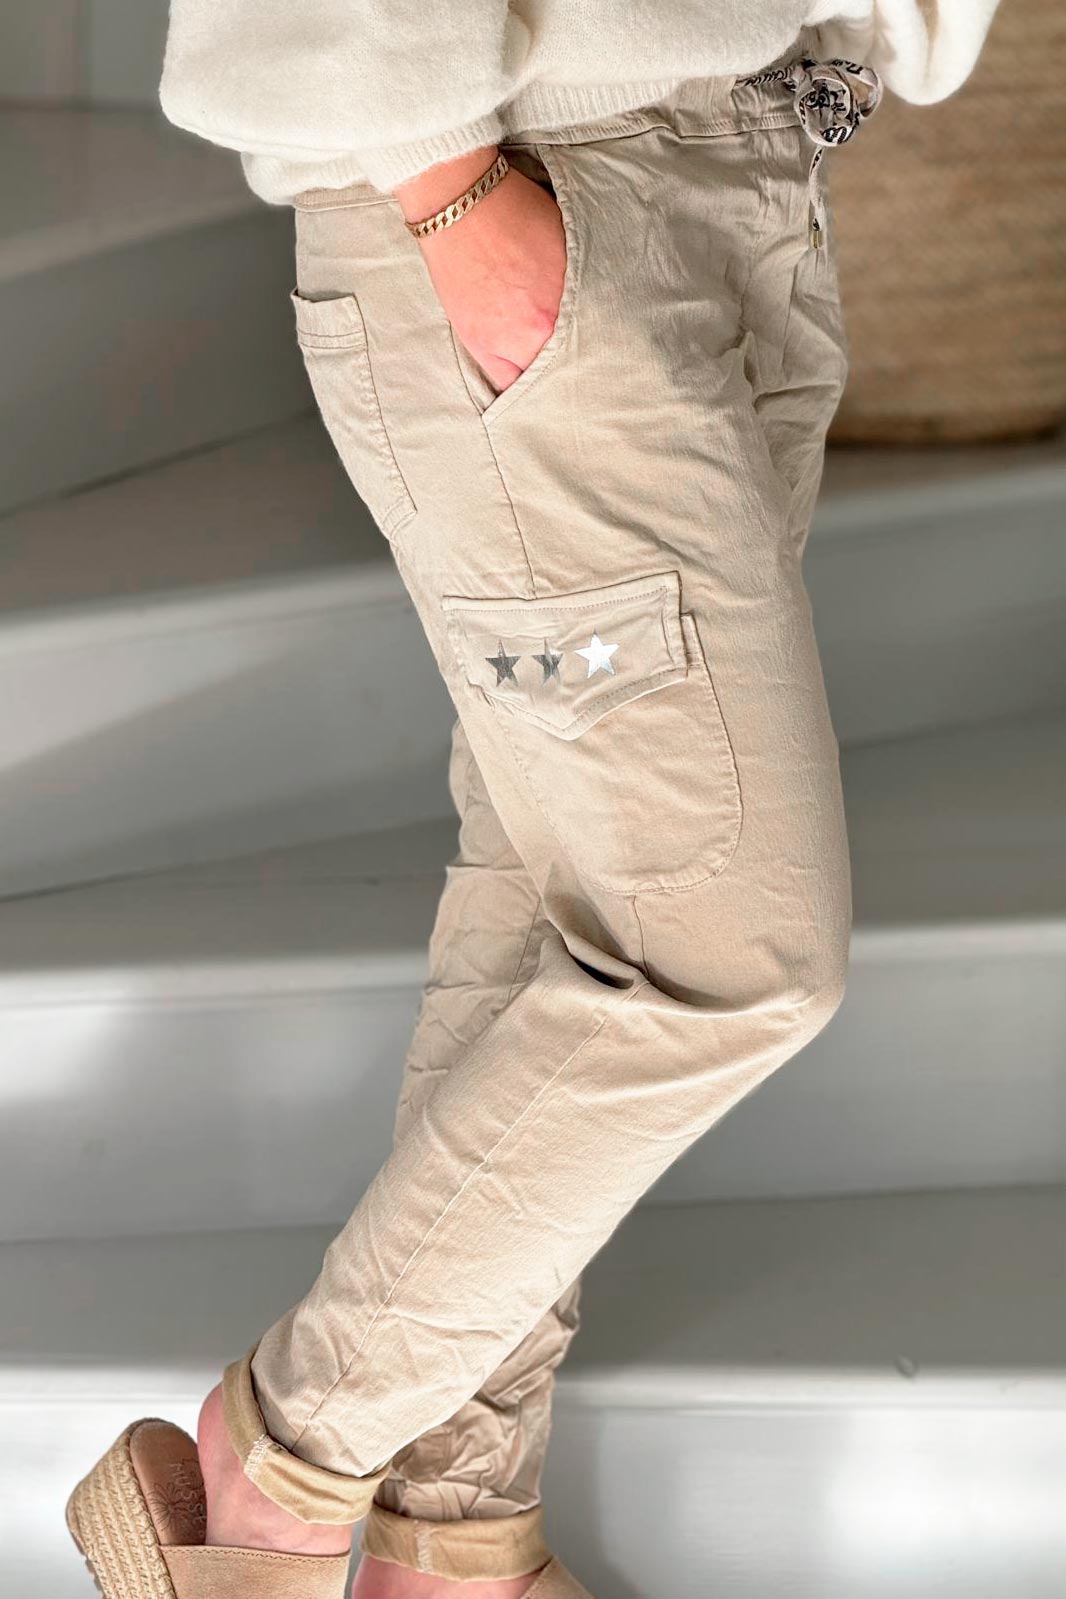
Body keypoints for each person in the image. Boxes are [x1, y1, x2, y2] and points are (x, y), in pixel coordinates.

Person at [66, 5, 999, 1597]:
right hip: (529, 176)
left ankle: (454, 1541)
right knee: (730, 961)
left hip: (741, 163)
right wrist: (438, 179)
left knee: (548, 899)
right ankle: (284, 1455)